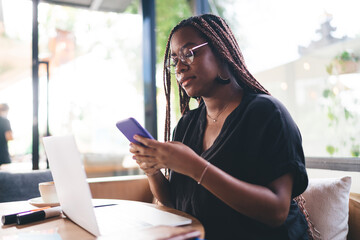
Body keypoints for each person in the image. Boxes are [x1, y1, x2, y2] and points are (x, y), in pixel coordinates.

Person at [130, 14, 311, 239]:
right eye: (175, 60)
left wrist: (194, 166)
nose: (180, 68)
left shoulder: (266, 114)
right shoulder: (187, 124)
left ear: (220, 51)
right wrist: (152, 170)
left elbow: (276, 211)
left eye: (189, 53)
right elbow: (175, 201)